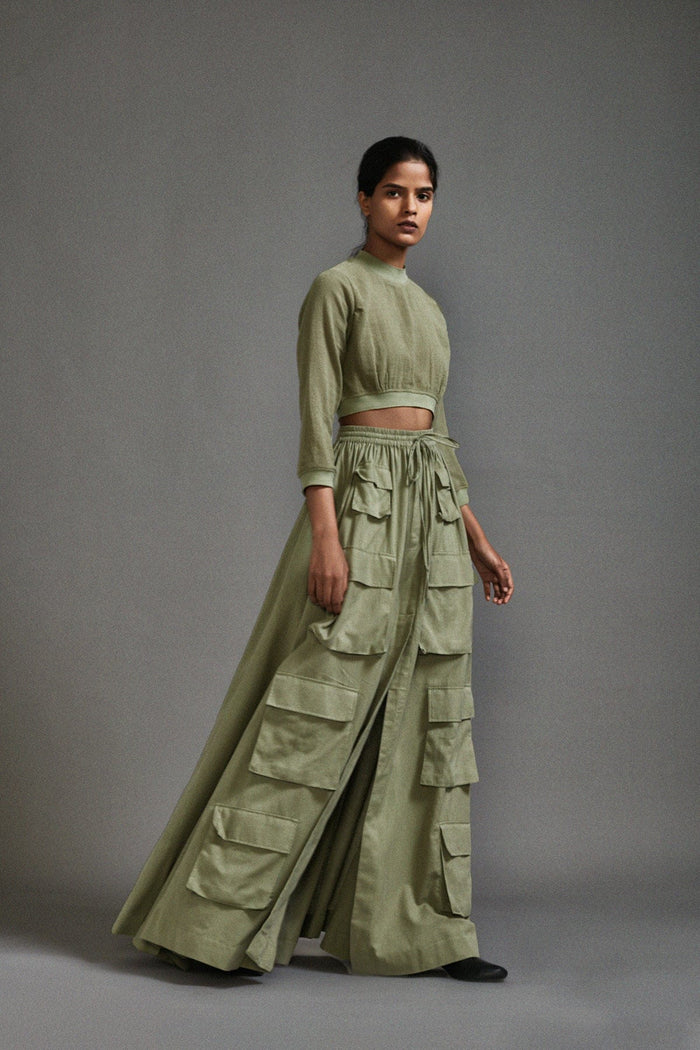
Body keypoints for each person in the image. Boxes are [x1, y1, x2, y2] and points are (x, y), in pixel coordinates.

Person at [113, 136, 513, 982]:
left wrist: (476, 537)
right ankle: (212, 927)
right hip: (361, 502)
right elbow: (316, 421)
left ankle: (422, 932)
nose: (411, 208)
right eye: (394, 191)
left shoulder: (431, 310)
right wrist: (326, 536)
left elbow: (440, 434)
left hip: (433, 516)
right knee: (313, 707)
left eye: (425, 194)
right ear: (363, 199)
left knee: (429, 717)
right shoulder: (336, 288)